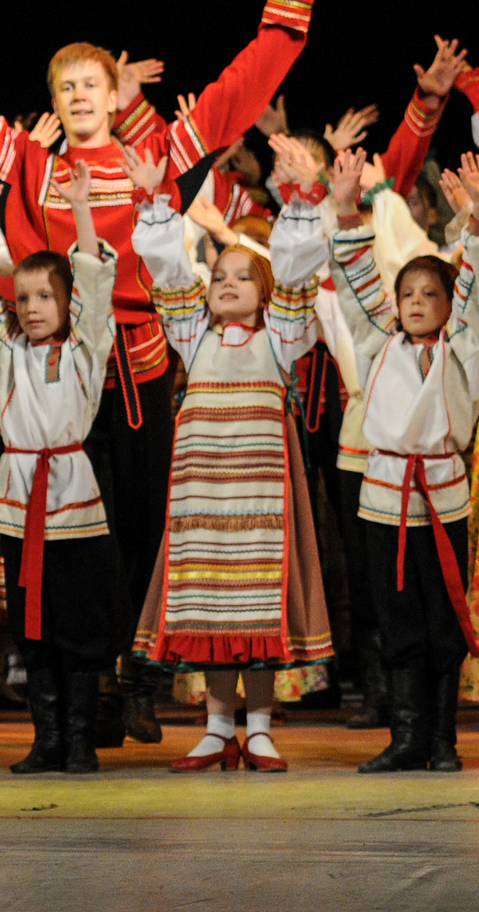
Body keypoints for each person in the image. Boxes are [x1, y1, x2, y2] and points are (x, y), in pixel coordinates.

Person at [0, 0, 317, 745]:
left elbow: (236, 98)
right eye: (65, 88)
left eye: (90, 84)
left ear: (113, 92)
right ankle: (87, 693)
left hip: (142, 362)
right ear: (55, 101)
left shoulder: (154, 153)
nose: (77, 97)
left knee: (139, 525)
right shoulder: (31, 163)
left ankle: (135, 678)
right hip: (55, 375)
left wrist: (286, 15)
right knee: (69, 539)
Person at [127, 140, 332, 771]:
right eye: (219, 276)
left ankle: (261, 729)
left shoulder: (282, 334)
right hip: (203, 498)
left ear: (266, 288)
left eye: (244, 277)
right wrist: (159, 204)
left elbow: (299, 276)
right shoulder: (193, 333)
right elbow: (166, 271)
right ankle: (218, 728)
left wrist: (298, 202)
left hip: (262, 499)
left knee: (259, 611)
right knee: (212, 610)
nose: (227, 285)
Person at [323, 148, 479, 772]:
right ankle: (406, 737)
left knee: (442, 615)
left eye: (431, 292)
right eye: (407, 292)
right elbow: (354, 288)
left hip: (440, 489)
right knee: (396, 613)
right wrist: (348, 209)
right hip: (383, 492)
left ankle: (442, 740)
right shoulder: (380, 343)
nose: (416, 301)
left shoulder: (464, 346)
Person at [0, 166, 124, 773]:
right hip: (22, 499)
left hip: (72, 499)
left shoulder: (85, 346)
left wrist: (81, 210)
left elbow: (98, 286)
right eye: (22, 298)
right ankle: (46, 739)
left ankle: (79, 739)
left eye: (45, 295)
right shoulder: (5, 351)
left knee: (76, 621)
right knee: (32, 623)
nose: (31, 307)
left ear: (66, 301)